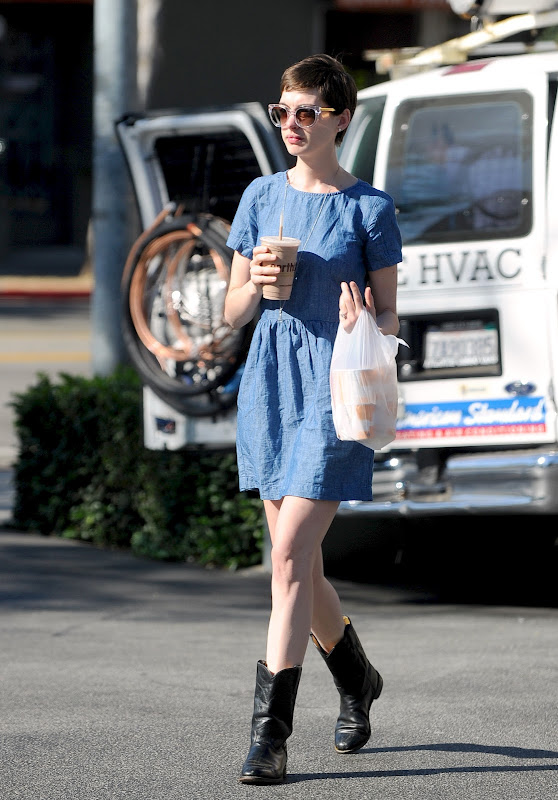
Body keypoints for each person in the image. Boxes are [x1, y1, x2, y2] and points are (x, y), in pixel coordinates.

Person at [224, 53, 402, 785]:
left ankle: (270, 736)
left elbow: (392, 314)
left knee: (290, 556)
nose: (292, 125)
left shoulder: (370, 208)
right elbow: (231, 309)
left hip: (335, 386)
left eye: (307, 113)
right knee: (302, 564)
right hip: (269, 381)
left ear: (341, 119)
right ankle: (357, 680)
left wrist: (368, 320)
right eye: (282, 112)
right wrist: (258, 288)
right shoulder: (261, 197)